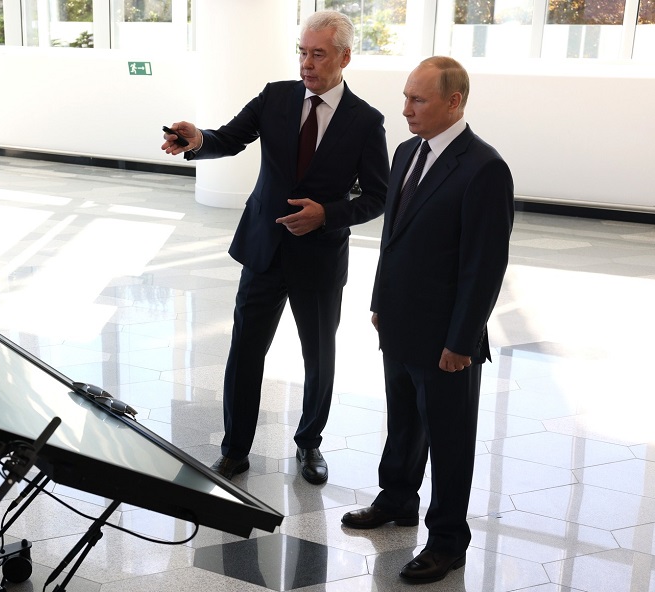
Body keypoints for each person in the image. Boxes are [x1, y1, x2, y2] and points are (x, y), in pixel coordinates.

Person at [161, 11, 389, 485]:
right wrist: (198, 140)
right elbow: (229, 138)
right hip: (264, 249)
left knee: (318, 357)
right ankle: (234, 449)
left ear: (345, 57)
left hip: (320, 258)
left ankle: (309, 443)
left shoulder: (366, 121)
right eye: (302, 52)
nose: (307, 63)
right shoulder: (276, 96)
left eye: (318, 54)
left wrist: (326, 214)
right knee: (245, 350)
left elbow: (377, 196)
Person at [340, 56, 514, 584]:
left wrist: (462, 340)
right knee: (403, 422)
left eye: (418, 99)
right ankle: (397, 498)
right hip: (399, 322)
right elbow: (393, 237)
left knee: (449, 440)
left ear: (454, 102)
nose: (406, 109)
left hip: (446, 338)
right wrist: (380, 300)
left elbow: (484, 266)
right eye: (406, 97)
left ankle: (448, 541)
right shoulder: (406, 152)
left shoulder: (484, 168)